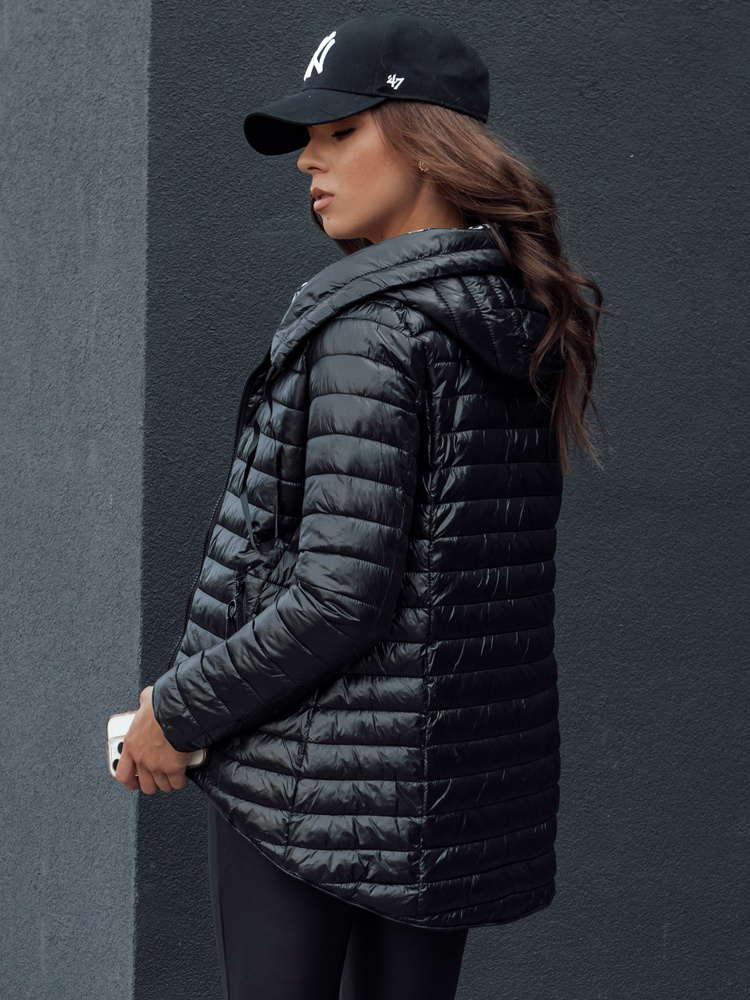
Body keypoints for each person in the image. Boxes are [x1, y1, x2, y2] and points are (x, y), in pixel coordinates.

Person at [115, 13, 604, 1000]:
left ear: (427, 143)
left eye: (341, 132)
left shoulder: (370, 330)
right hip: (441, 797)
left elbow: (341, 593)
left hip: (310, 795)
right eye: (308, 138)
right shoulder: (509, 317)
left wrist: (177, 710)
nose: (309, 160)